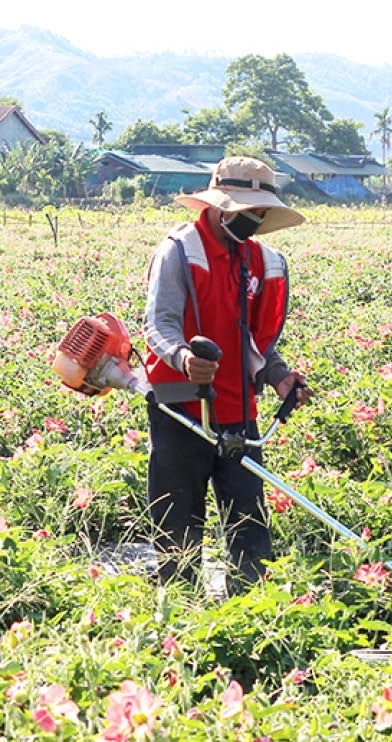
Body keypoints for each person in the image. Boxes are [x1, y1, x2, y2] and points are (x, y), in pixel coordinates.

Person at [142, 156, 311, 591]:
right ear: (217, 206)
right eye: (244, 211)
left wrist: (279, 376)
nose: (253, 220)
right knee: (177, 524)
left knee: (249, 524)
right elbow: (158, 323)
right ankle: (177, 617)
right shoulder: (180, 250)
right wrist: (183, 358)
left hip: (239, 410)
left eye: (259, 213)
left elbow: (258, 341)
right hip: (182, 408)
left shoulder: (262, 261)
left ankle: (249, 620)